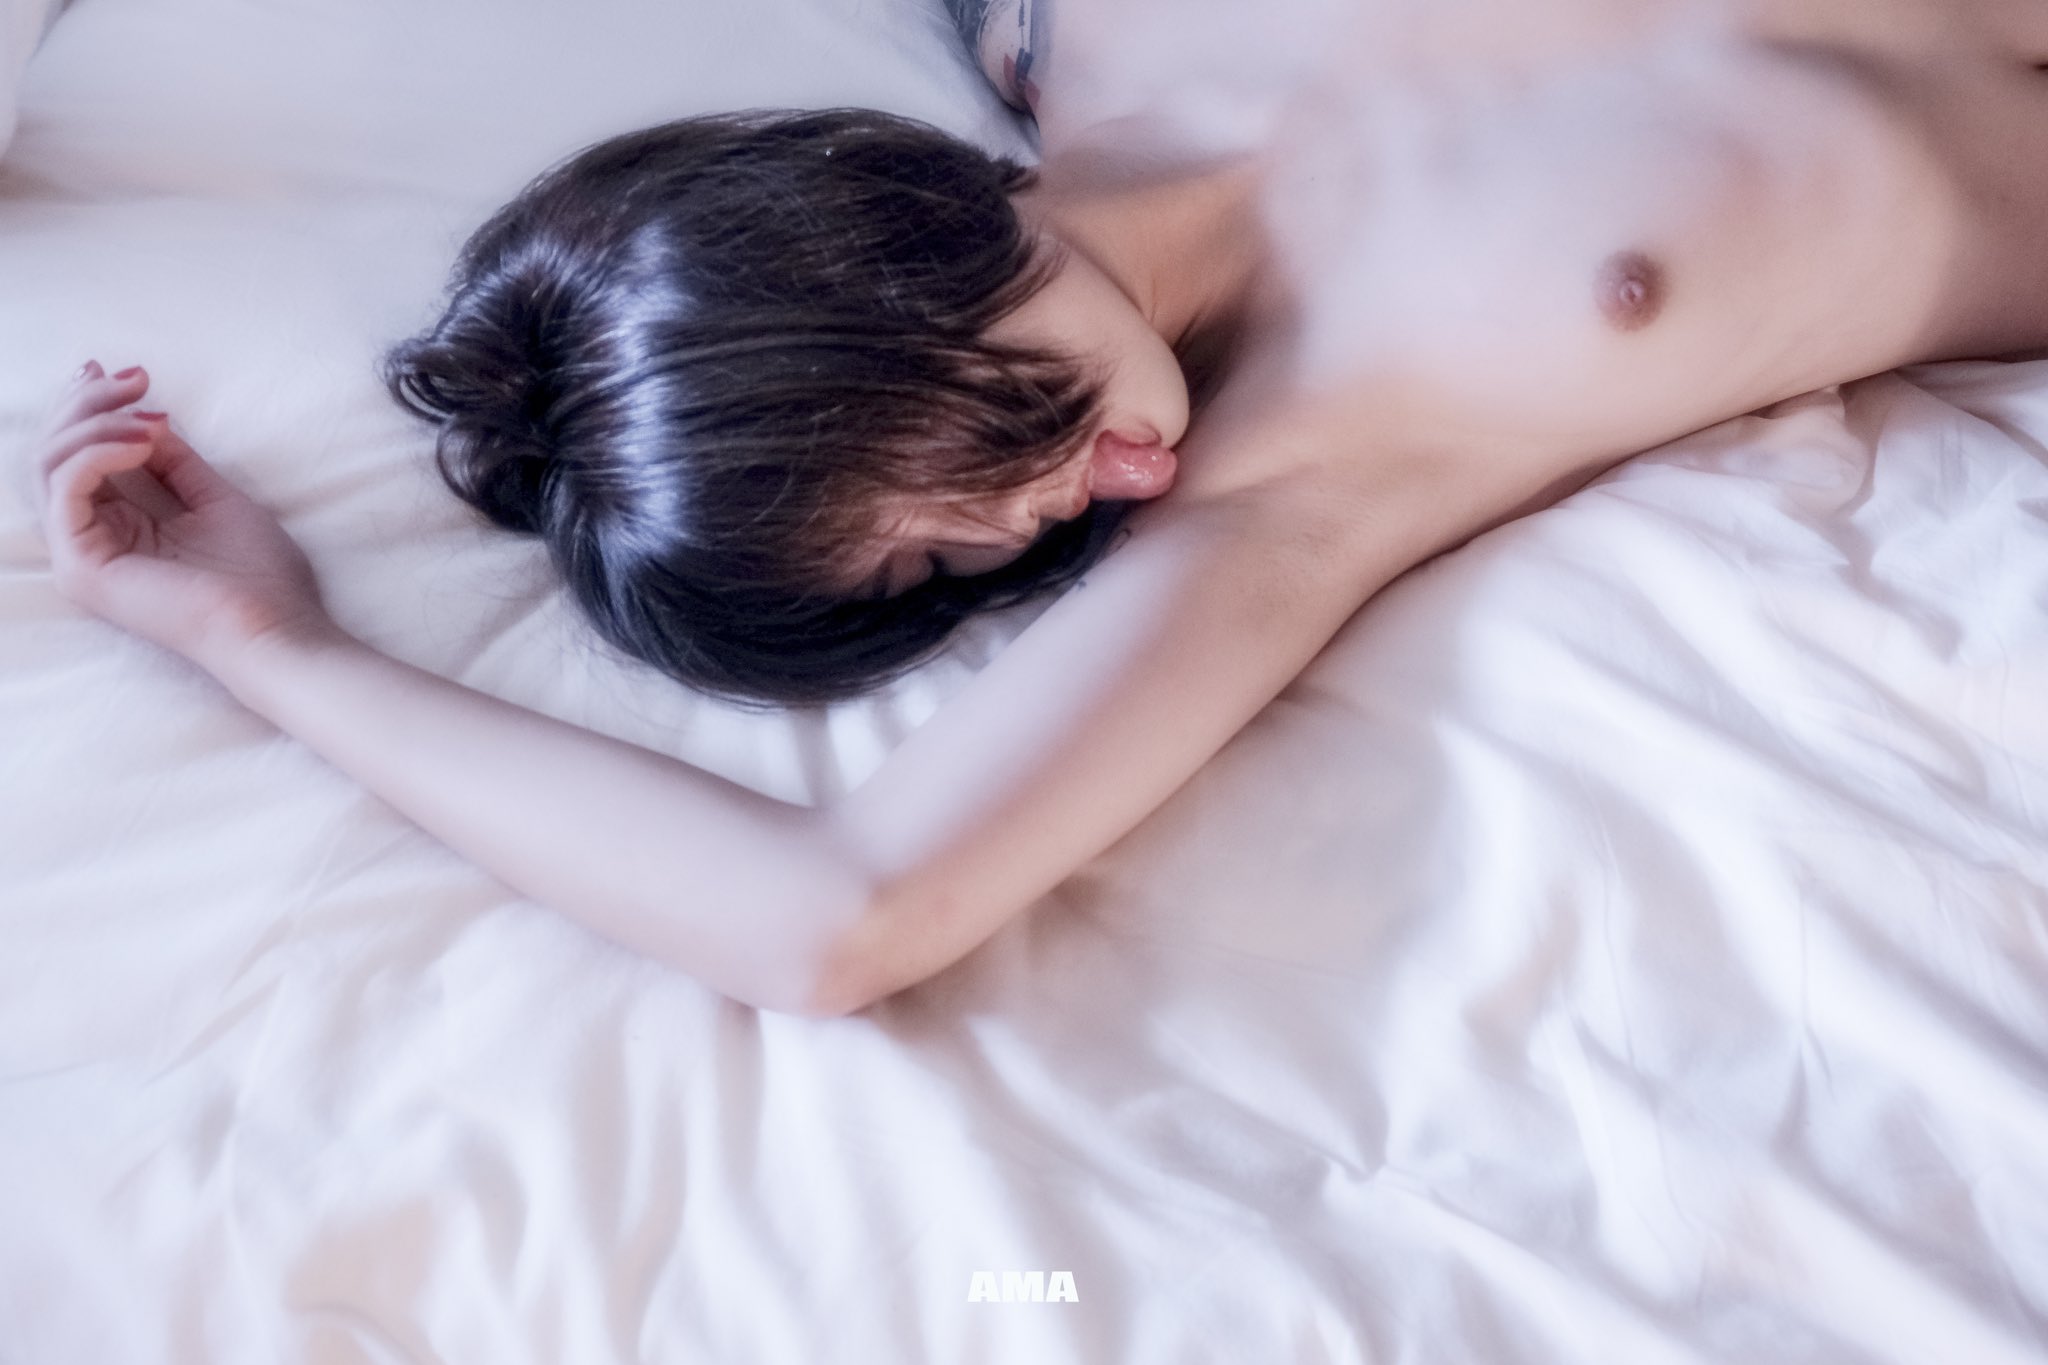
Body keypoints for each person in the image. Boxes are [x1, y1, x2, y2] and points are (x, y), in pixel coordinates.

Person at [31, 0, 2048, 1014]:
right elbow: (835, 914)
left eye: (967, 458)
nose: (1046, 517)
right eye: (944, 565)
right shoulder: (1297, 463)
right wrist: (267, 643)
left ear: (871, 267)